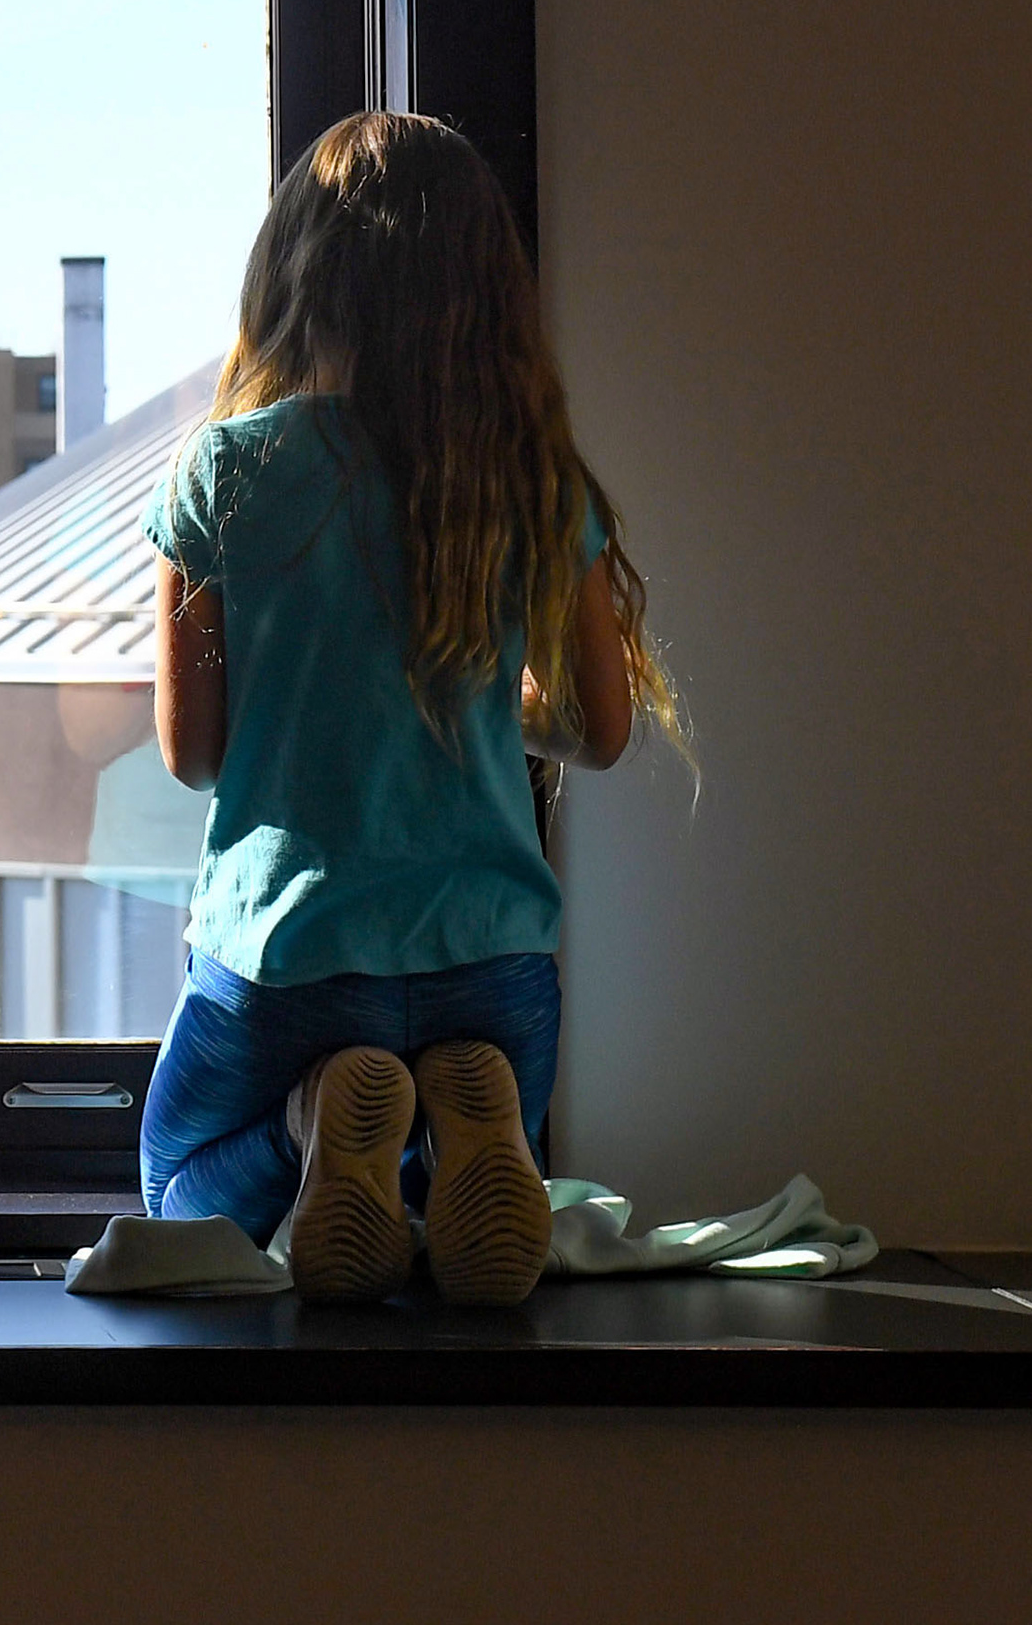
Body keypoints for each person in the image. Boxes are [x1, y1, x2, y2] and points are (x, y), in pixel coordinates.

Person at [140, 111, 687, 1307]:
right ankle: (443, 1124)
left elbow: (193, 754)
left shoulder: (226, 470)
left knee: (179, 1175)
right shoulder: (527, 477)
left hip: (291, 951)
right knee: (463, 1198)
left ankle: (310, 1116)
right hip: (492, 959)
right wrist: (502, 708)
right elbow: (599, 731)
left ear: (294, 274)